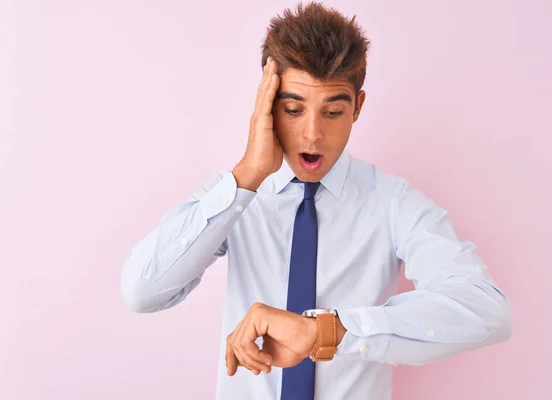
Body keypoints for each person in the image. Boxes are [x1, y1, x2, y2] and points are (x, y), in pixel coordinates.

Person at [120, 2, 512, 399]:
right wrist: (248, 176)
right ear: (267, 105)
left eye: (333, 111)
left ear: (357, 107)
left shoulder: (393, 202)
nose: (312, 134)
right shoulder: (235, 196)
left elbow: (487, 311)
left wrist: (326, 331)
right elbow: (141, 291)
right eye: (293, 109)